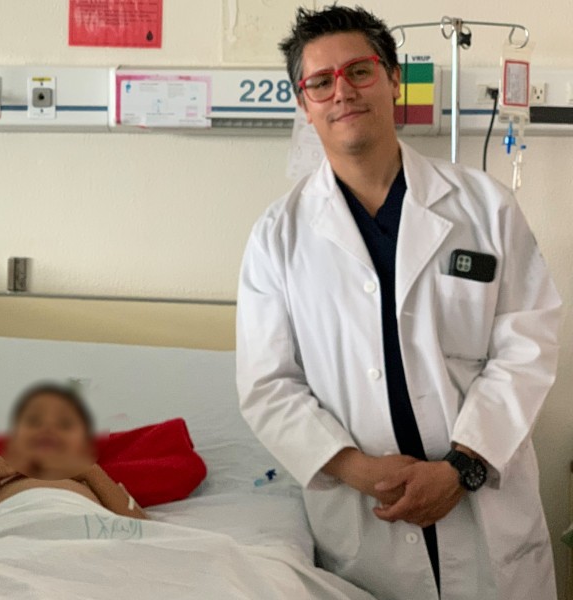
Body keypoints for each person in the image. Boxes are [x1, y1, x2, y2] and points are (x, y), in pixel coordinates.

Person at [236, 5, 562, 600]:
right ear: (304, 104)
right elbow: (268, 384)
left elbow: (528, 345)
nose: (342, 92)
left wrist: (462, 468)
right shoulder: (277, 238)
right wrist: (357, 469)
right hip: (365, 520)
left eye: (359, 71)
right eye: (320, 82)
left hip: (484, 506)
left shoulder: (485, 208)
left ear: (393, 80)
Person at [0, 383, 147, 543]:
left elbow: (142, 530)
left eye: (64, 425)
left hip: (81, 543)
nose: (48, 430)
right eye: (34, 423)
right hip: (7, 545)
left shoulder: (91, 483)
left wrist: (91, 472)